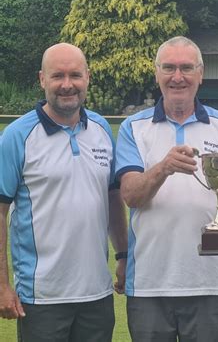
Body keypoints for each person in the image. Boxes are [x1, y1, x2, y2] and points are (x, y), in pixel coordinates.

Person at [115, 36, 218, 342]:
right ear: (156, 73)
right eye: (169, 68)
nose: (177, 77)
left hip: (212, 282)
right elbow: (130, 196)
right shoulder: (133, 127)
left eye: (186, 68)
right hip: (149, 284)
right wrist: (163, 168)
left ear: (201, 73)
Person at [0, 43, 128, 342]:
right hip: (42, 297)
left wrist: (122, 254)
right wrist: (2, 285)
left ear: (88, 77)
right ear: (42, 79)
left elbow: (112, 198)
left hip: (96, 294)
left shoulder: (101, 130)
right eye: (58, 76)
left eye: (75, 75)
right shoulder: (17, 137)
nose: (67, 85)